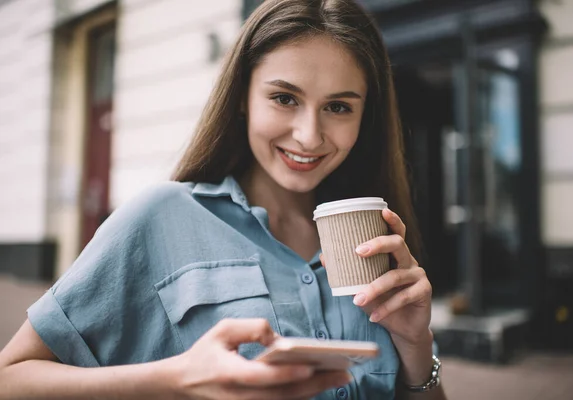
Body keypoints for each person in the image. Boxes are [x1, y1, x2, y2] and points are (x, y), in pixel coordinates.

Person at [0, 0, 447, 399]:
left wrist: (416, 346)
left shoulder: (375, 238)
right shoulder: (160, 217)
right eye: (284, 98)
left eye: (338, 107)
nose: (309, 136)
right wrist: (176, 381)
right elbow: (11, 377)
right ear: (242, 99)